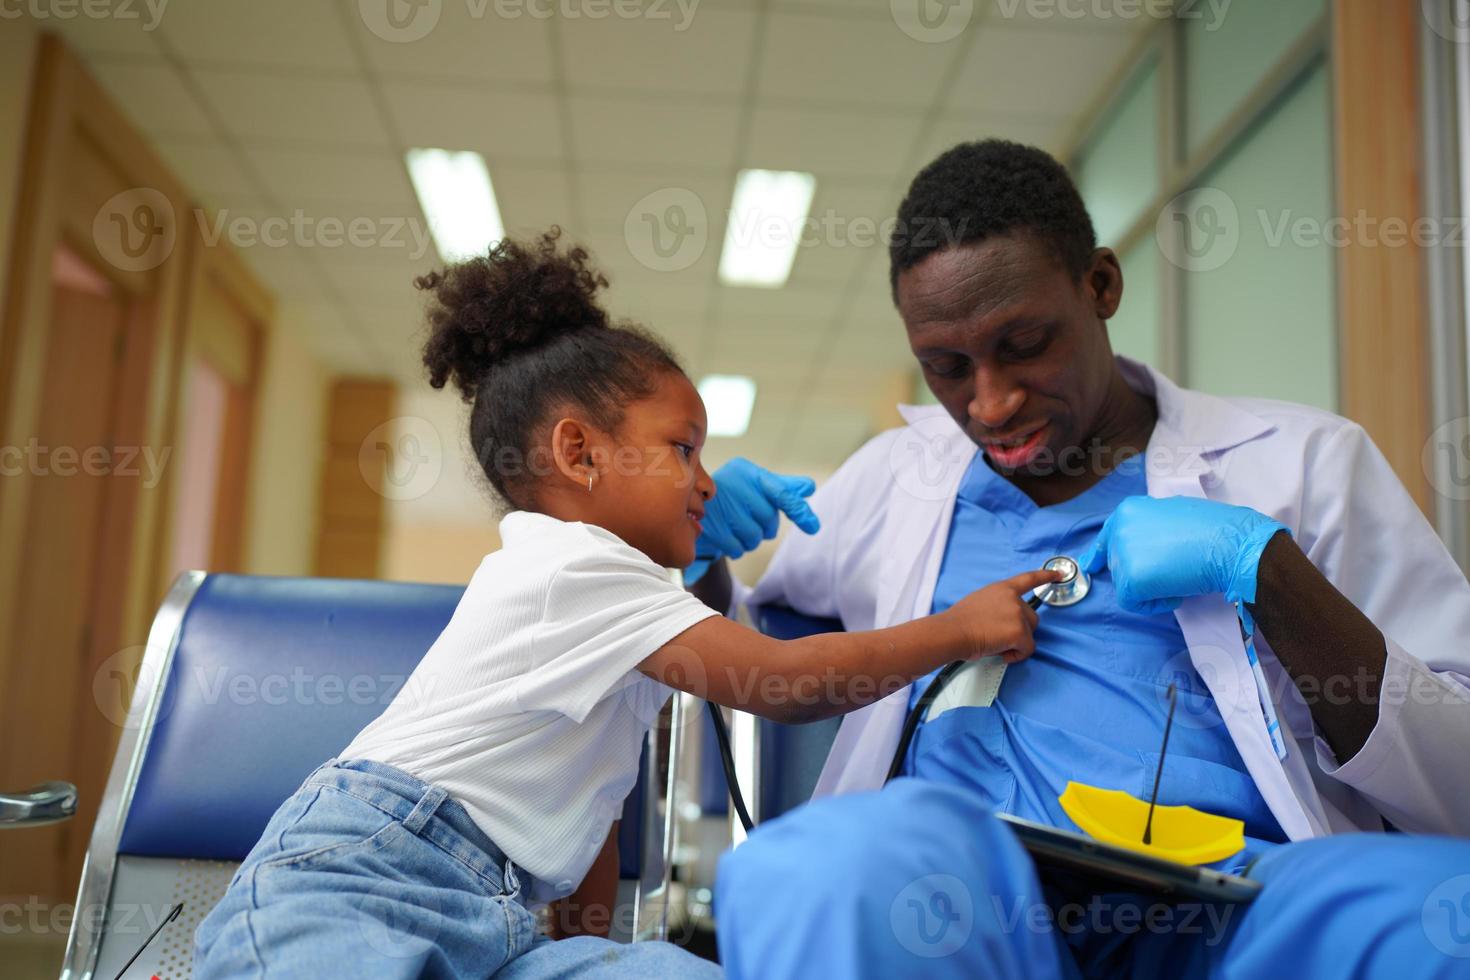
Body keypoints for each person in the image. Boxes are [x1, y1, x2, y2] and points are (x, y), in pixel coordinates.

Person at [192, 228, 1063, 979]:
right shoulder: (574, 564)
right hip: (363, 880)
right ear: (579, 454)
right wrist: (957, 629)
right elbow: (786, 683)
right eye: (682, 448)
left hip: (493, 924)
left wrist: (600, 952)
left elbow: (588, 829)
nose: (706, 479)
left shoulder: (615, 604)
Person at [692, 141, 1470, 976]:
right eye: (946, 368)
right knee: (829, 865)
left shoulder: (1305, 462)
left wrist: (1268, 570)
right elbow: (749, 642)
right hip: (957, 901)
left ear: (1101, 285)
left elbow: (1455, 780)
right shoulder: (892, 479)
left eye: (1024, 344)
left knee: (1441, 915)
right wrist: (696, 550)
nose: (990, 403)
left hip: (1237, 904)